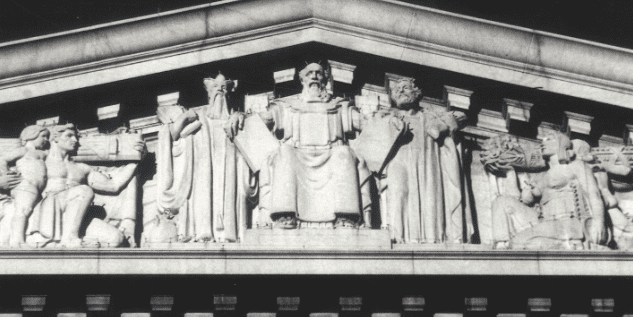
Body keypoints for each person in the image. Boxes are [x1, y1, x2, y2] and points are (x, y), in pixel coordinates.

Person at [256, 63, 367, 228]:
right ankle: (284, 215)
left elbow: (366, 124)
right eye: (309, 74)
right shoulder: (287, 107)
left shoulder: (339, 106)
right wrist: (239, 117)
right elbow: (263, 120)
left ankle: (346, 217)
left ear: (325, 78)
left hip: (332, 158)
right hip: (296, 158)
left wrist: (390, 117)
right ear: (302, 79)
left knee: (344, 152)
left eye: (319, 73)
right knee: (285, 152)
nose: (314, 77)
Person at [368, 78, 470, 243]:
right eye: (397, 90)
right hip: (398, 162)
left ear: (416, 93)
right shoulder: (387, 117)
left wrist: (446, 124)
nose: (401, 91)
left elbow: (460, 116)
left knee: (429, 200)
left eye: (406, 88)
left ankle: (432, 239)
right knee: (398, 194)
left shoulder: (429, 115)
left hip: (427, 164)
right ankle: (398, 237)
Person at [154, 74, 252, 243]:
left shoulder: (236, 119)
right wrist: (184, 117)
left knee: (228, 193)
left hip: (230, 172)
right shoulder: (198, 116)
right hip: (202, 176)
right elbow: (171, 136)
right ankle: (204, 234)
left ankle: (230, 234)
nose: (220, 91)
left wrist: (242, 117)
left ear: (228, 94)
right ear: (208, 92)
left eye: (223, 88)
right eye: (215, 88)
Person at [15, 123, 144, 247]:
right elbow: (15, 173)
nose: (75, 140)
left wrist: (136, 161)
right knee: (83, 191)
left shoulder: (82, 168)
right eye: (69, 136)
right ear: (55, 138)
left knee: (115, 239)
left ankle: (74, 239)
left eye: (75, 136)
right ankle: (70, 239)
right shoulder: (40, 158)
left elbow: (113, 185)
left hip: (77, 216)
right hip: (49, 210)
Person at [491, 130, 607, 249]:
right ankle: (501, 247)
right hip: (544, 221)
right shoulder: (541, 176)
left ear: (562, 144)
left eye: (549, 139)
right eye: (543, 140)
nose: (543, 142)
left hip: (567, 221)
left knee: (520, 242)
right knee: (501, 201)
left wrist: (599, 223)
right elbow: (520, 200)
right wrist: (510, 172)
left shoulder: (576, 166)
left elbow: (593, 194)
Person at [0, 125, 50, 247]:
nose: (46, 139)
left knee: (28, 210)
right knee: (23, 210)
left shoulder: (43, 153)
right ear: (32, 135)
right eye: (43, 136)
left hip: (37, 189)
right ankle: (17, 240)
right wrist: (6, 175)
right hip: (25, 185)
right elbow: (2, 160)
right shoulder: (24, 150)